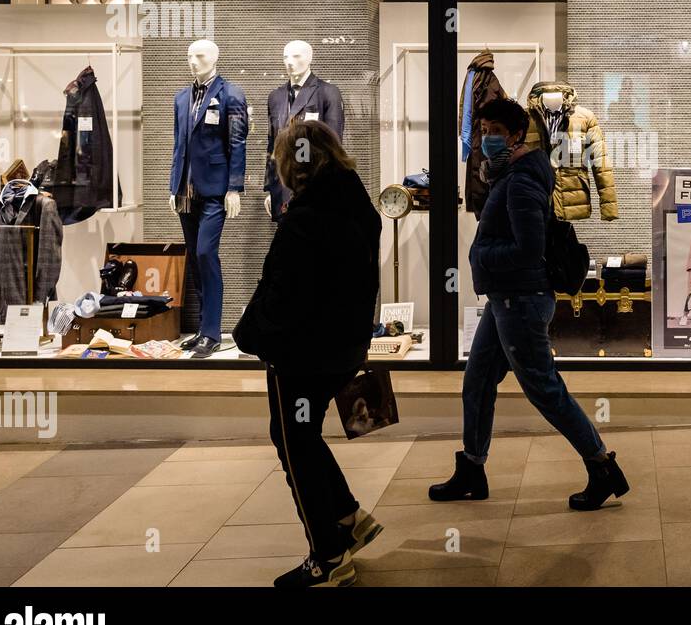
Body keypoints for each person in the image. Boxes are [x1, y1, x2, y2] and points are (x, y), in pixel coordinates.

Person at [430, 97, 629, 510]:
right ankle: (471, 467)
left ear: (517, 135)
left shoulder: (520, 181)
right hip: (506, 298)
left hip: (521, 299)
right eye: (484, 131)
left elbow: (528, 249)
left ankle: (602, 467)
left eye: (496, 132)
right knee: (478, 381)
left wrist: (480, 256)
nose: (487, 139)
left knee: (543, 388)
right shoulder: (510, 174)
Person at [233, 119, 384, 588]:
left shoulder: (304, 219)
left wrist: (252, 335)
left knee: (294, 444)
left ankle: (327, 555)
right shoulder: (359, 207)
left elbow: (284, 296)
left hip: (301, 355)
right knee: (305, 437)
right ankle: (347, 516)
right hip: (343, 347)